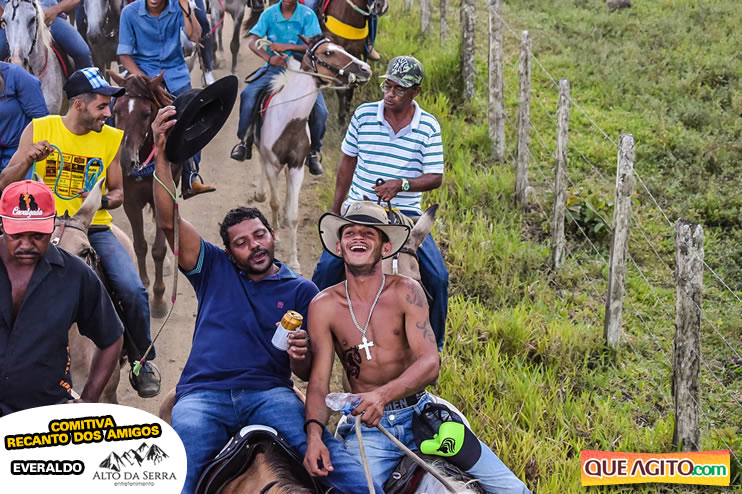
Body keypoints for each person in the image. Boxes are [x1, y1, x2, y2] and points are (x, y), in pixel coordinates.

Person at [150, 106, 382, 494]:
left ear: (272, 234)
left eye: (259, 235)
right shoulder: (213, 268)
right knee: (178, 475)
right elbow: (168, 220)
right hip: (203, 395)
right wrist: (161, 153)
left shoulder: (302, 291)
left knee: (339, 468)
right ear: (229, 252)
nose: (254, 245)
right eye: (241, 243)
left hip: (269, 394)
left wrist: (299, 354)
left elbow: (307, 374)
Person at [303, 201, 531, 493]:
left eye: (368, 233)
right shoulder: (322, 306)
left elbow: (429, 364)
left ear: (386, 248)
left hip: (420, 414)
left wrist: (381, 396)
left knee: (513, 490)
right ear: (339, 246)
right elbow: (318, 383)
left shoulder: (407, 291)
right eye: (350, 233)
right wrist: (314, 437)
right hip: (369, 428)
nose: (358, 237)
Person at [0, 67, 161, 398]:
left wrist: (99, 200)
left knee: (132, 289)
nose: (108, 113)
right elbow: (5, 183)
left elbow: (118, 192)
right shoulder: (40, 128)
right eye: (101, 106)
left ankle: (141, 359)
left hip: (92, 225)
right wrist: (27, 158)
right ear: (78, 105)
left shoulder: (110, 138)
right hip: (37, 225)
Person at [312, 55, 449, 350]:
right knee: (325, 270)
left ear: (416, 91)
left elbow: (435, 177)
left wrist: (402, 184)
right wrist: (337, 210)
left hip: (406, 214)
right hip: (359, 209)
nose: (390, 93)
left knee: (438, 277)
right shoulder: (364, 115)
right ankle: (311, 336)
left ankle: (434, 348)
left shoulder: (428, 126)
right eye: (387, 86)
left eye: (399, 89)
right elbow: (347, 163)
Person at [0, 180, 123, 416]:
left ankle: (142, 357)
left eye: (37, 235)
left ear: (51, 227)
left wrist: (89, 398)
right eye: (16, 235)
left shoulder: (75, 275)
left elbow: (111, 337)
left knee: (132, 291)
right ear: (3, 225)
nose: (26, 245)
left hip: (48, 412)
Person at [117, 0, 215, 197]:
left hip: (175, 75)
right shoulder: (129, 13)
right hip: (141, 73)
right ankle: (110, 168)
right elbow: (125, 55)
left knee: (193, 114)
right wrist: (143, 81)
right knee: (116, 107)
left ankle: (190, 175)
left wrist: (186, 7)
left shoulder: (177, 8)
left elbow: (195, 36)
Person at [229, 0, 327, 176]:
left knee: (321, 111)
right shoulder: (269, 14)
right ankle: (245, 141)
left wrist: (288, 46)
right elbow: (253, 41)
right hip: (274, 69)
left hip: (302, 71)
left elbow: (315, 45)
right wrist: (269, 58)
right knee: (248, 95)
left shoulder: (307, 15)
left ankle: (313, 151)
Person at [0, 0, 93, 71]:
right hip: (12, 23)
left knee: (82, 52)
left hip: (50, 19)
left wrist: (56, 9)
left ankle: (87, 88)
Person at [0, 61, 48, 171]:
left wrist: (28, 153)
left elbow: (41, 119)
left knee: (81, 54)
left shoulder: (15, 74)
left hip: (20, 151)